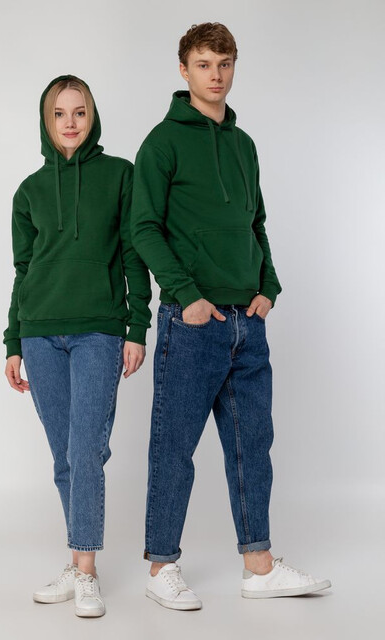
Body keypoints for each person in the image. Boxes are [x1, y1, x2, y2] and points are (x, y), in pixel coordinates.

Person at [131, 23, 331, 609]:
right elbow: (143, 228)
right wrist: (187, 295)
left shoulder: (244, 145)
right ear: (183, 70)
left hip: (249, 320)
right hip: (192, 321)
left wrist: (269, 285)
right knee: (175, 447)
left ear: (233, 67)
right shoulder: (161, 143)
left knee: (253, 446)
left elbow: (255, 222)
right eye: (203, 64)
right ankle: (160, 566)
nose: (215, 75)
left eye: (224, 64)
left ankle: (259, 567)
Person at [3, 74, 151, 618]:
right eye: (60, 114)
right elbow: (23, 271)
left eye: (79, 112)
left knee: (87, 448)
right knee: (63, 453)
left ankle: (85, 571)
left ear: (93, 117)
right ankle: (77, 560)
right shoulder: (29, 191)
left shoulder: (120, 176)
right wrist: (13, 340)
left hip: (98, 331)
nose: (70, 122)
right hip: (39, 332)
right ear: (46, 122)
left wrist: (137, 328)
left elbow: (134, 255)